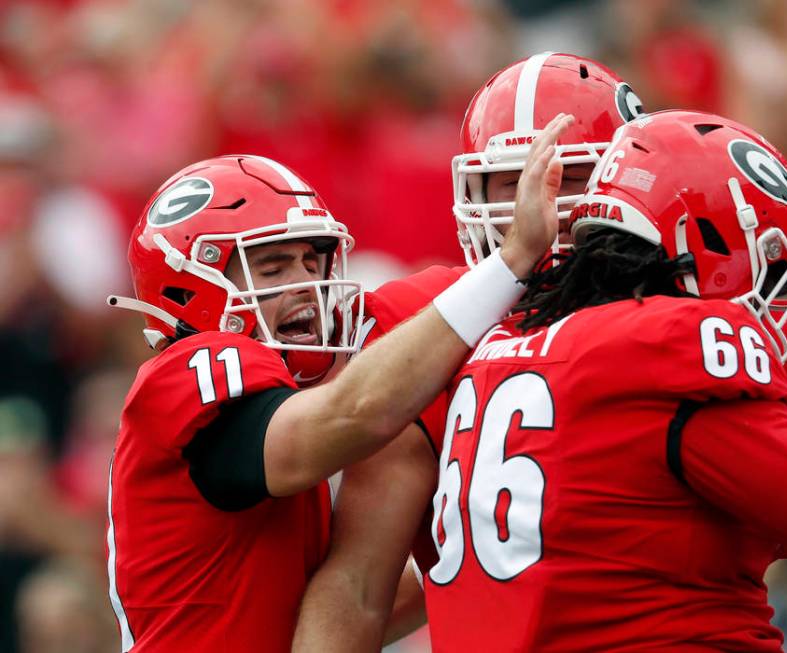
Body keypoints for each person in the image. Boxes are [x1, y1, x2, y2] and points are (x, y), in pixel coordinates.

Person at [293, 55, 787, 652]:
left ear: (631, 175)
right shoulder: (427, 332)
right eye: (503, 185)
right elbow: (368, 585)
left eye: (568, 176)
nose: (535, 207)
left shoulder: (721, 295)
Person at [434, 110, 787, 650]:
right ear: (709, 240)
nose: (779, 297)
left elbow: (636, 519)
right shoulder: (674, 338)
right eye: (771, 263)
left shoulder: (491, 348)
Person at [104, 142, 568, 653]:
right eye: (274, 268)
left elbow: (347, 602)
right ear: (189, 288)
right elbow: (353, 413)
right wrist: (509, 264)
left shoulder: (279, 394)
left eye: (309, 262)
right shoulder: (185, 372)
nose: (306, 284)